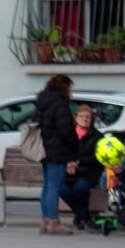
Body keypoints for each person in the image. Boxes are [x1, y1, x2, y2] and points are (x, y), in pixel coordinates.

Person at [34, 74, 78, 236]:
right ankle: (53, 222)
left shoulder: (42, 103)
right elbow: (65, 130)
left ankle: (45, 220)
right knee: (54, 186)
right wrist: (75, 147)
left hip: (45, 150)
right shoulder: (60, 105)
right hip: (58, 151)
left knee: (47, 186)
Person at [60, 104, 103, 232]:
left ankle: (80, 217)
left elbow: (97, 157)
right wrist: (68, 163)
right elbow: (61, 152)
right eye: (82, 116)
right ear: (76, 118)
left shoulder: (97, 136)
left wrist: (77, 162)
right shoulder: (67, 134)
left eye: (88, 117)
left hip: (87, 172)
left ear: (92, 120)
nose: (85, 119)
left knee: (81, 188)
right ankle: (84, 216)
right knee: (61, 189)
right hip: (68, 172)